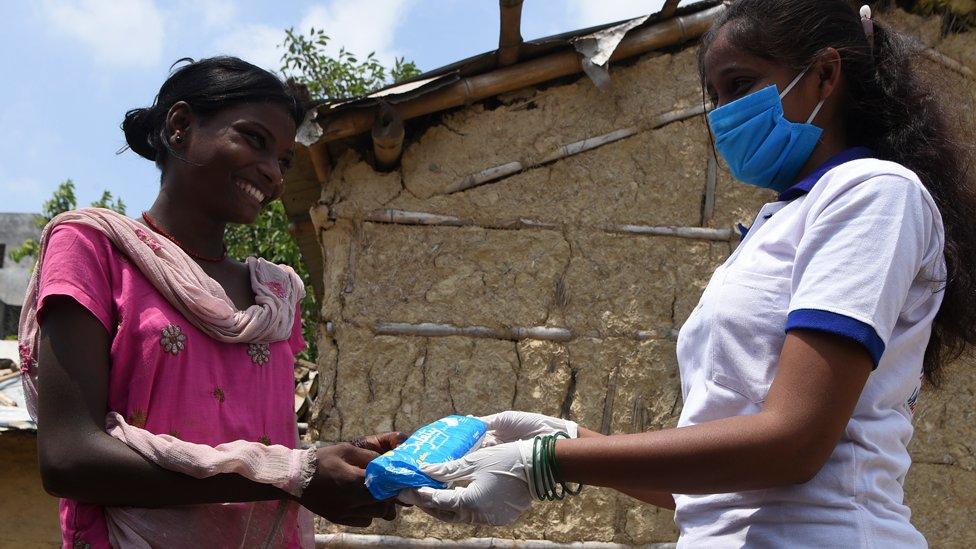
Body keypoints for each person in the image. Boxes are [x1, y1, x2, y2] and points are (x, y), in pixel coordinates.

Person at [400, 2, 976, 546]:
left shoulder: (873, 194)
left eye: (741, 85)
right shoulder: (781, 219)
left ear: (826, 75)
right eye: (715, 96)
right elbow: (714, 488)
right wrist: (564, 440)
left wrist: (550, 462)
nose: (724, 114)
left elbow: (794, 442)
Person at [22, 57, 402, 548]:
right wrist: (294, 475)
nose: (272, 173)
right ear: (181, 127)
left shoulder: (275, 295)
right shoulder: (95, 249)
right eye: (254, 140)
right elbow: (69, 457)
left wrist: (336, 463)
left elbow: (258, 450)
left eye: (285, 160)